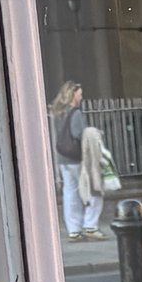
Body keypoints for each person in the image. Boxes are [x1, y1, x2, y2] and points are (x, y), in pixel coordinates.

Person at [52, 82, 102, 240]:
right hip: (77, 158)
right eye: (79, 94)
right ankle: (90, 226)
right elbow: (78, 134)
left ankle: (73, 230)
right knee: (93, 190)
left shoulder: (58, 112)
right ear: (73, 95)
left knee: (70, 194)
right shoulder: (76, 113)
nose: (81, 97)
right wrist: (94, 133)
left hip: (63, 159)